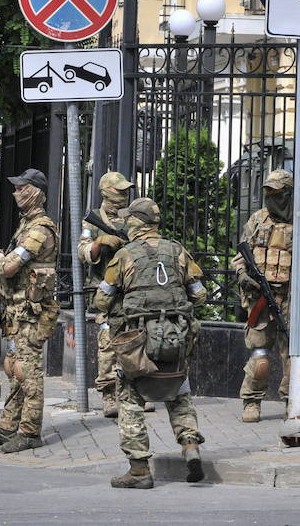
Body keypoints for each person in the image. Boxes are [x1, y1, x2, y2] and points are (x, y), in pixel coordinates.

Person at [93, 197, 207, 489]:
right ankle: (190, 445)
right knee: (179, 391)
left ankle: (140, 470)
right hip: (176, 338)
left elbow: (102, 299)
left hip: (139, 344)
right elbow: (200, 294)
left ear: (135, 223)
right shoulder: (178, 251)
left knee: (130, 400)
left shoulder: (124, 256)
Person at [229, 168, 300, 423]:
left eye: (278, 193)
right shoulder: (257, 221)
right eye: (268, 192)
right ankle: (252, 401)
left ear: (288, 193)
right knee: (259, 355)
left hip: (292, 297)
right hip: (260, 297)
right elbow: (240, 257)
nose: (272, 197)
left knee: (293, 354)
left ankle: (291, 400)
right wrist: (244, 276)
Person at [0, 168, 59, 453]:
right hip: (16, 311)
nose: (15, 193)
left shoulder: (39, 229)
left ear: (32, 192)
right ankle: (7, 427)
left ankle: (29, 432)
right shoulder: (26, 225)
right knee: (14, 368)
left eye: (20, 188)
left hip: (31, 315)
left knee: (28, 370)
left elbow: (10, 266)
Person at [77, 170, 135, 418]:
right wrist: (100, 243)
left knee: (133, 342)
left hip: (130, 291)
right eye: (119, 190)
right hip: (104, 292)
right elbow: (83, 251)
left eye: (125, 190)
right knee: (107, 345)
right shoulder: (93, 220)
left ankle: (131, 393)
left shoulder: (133, 216)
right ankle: (108, 394)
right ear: (106, 192)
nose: (123, 194)